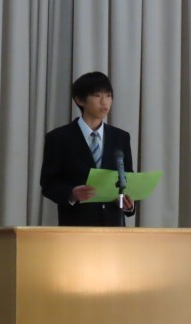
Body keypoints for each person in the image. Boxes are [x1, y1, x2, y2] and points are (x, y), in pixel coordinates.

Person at [40, 71, 135, 226]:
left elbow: (128, 177)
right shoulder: (59, 138)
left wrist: (128, 205)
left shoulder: (121, 137)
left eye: (108, 95)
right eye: (97, 96)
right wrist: (72, 194)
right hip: (76, 225)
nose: (104, 102)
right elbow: (49, 184)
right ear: (80, 100)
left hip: (114, 227)